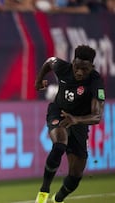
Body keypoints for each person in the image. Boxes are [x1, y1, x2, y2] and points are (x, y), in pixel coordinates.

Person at [34, 45, 105, 203]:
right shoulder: (63, 67)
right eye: (77, 67)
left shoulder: (95, 81)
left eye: (84, 69)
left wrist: (77, 120)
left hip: (80, 121)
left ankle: (57, 200)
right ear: (72, 62)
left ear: (92, 67)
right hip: (59, 112)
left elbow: (97, 116)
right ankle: (43, 191)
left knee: (75, 175)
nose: (79, 72)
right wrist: (38, 81)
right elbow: (49, 62)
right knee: (59, 144)